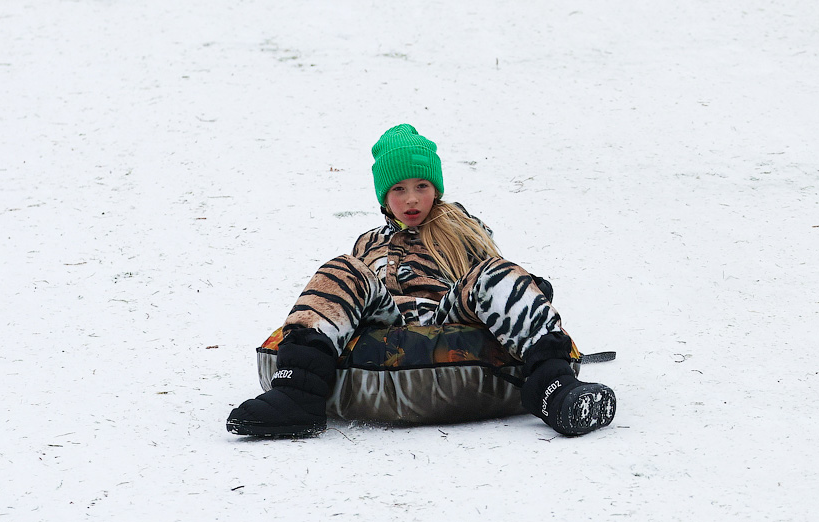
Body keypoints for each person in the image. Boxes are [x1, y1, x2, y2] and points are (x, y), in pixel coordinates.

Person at [227, 124, 616, 437]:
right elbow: (354, 296)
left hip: (448, 316)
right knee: (342, 269)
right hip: (386, 321)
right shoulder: (368, 242)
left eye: (421, 187)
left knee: (495, 273)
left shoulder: (463, 229)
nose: (411, 199)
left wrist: (527, 289)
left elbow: (489, 282)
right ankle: (297, 395)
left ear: (436, 189)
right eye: (399, 189)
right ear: (384, 197)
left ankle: (554, 388)